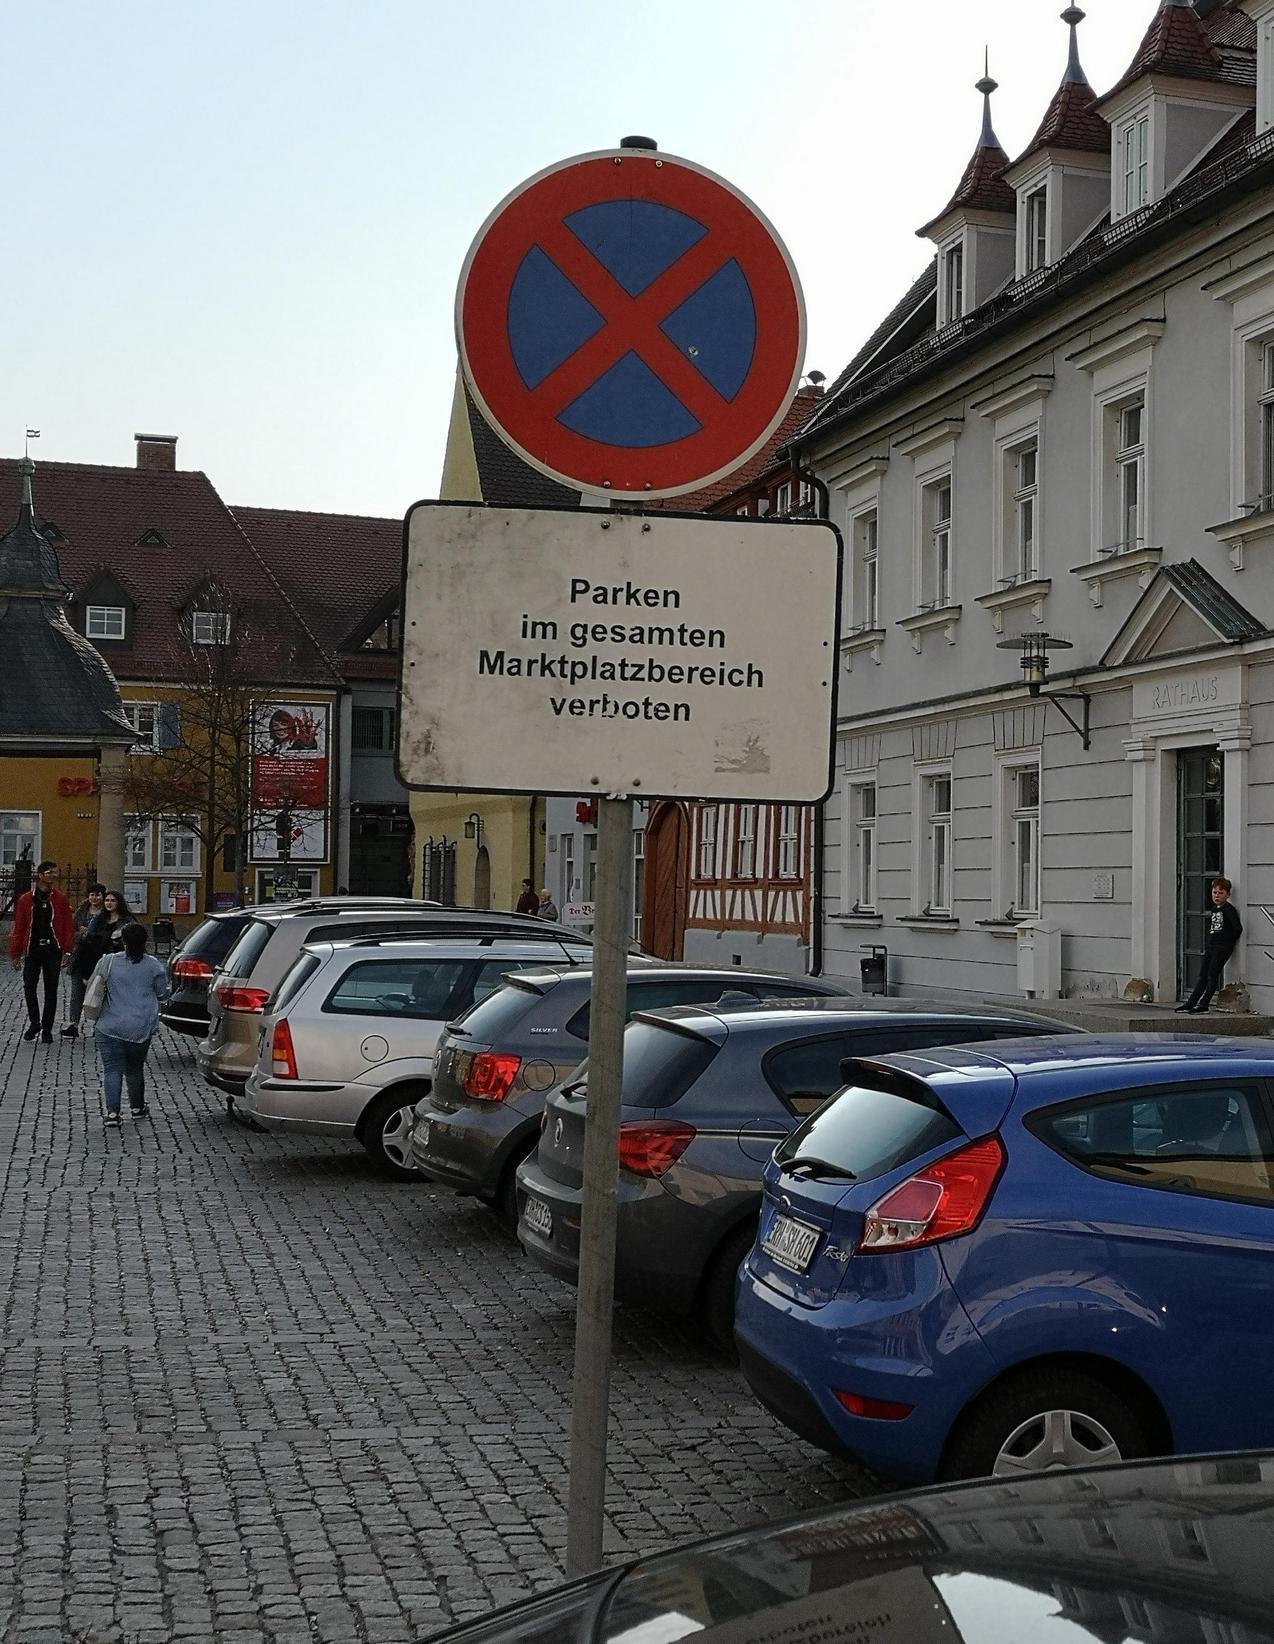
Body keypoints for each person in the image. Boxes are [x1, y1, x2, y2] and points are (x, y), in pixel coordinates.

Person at [92, 922, 170, 1125]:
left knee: (112, 1068)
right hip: (139, 1026)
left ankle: (112, 1114)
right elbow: (162, 994)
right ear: (145, 942)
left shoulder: (108, 961)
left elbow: (93, 984)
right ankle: (137, 1107)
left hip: (109, 1024)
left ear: (123, 941)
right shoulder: (153, 966)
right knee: (135, 1068)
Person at [7, 860, 74, 1043]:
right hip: (33, 948)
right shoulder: (26, 899)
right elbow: (19, 927)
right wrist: (15, 953)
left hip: (52, 949)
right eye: (50, 872)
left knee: (51, 990)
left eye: (55, 872)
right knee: (29, 986)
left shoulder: (60, 899)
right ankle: (35, 1022)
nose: (53, 875)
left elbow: (68, 926)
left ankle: (47, 1028)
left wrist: (67, 950)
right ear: (41, 875)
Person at [1177, 877, 1243, 1014]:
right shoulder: (1214, 909)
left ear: (1228, 895)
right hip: (1212, 945)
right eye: (1214, 892)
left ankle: (1204, 1004)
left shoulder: (1229, 910)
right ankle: (1191, 1003)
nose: (1217, 896)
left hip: (1222, 947)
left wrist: (1226, 940)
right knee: (1203, 975)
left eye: (1221, 893)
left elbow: (1237, 928)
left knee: (1212, 975)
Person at [61, 883, 106, 1037]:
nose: (94, 898)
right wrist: (81, 935)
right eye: (92, 894)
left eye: (98, 895)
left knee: (100, 991)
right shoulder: (81, 911)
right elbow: (71, 931)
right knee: (77, 992)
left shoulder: (106, 913)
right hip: (80, 956)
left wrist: (90, 933)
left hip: (99, 956)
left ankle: (100, 1025)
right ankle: (73, 1024)